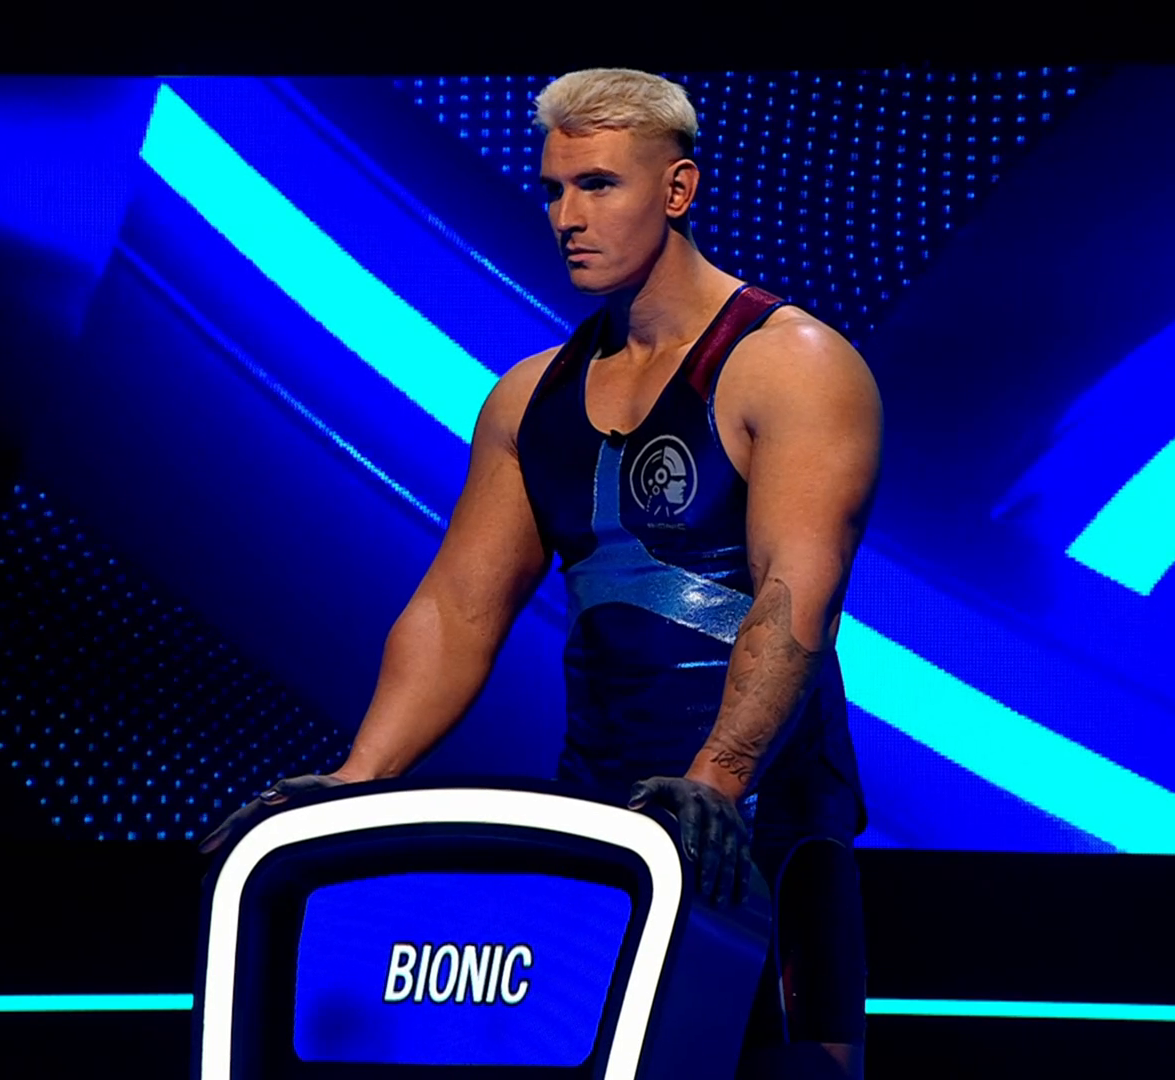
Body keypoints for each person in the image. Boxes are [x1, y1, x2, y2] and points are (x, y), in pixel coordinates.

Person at [201, 68, 881, 1078]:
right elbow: (459, 608)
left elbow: (796, 591)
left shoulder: (793, 364)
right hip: (601, 819)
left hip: (760, 823)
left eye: (598, 185)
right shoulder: (530, 398)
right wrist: (357, 777)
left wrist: (718, 778)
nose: (567, 218)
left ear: (679, 189)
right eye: (555, 189)